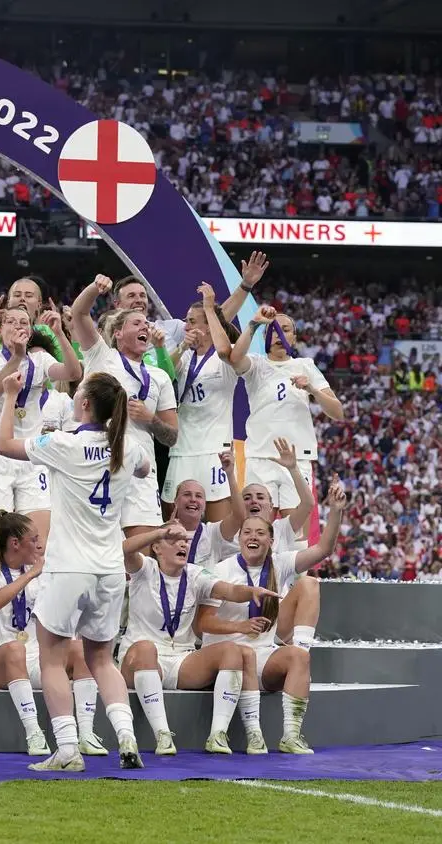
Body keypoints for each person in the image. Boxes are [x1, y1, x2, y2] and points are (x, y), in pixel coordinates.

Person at [0, 370, 150, 772]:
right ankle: (127, 738)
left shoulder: (63, 444)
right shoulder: (128, 447)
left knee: (52, 659)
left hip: (68, 568)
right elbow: (146, 469)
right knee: (102, 660)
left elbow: (2, 444)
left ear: (83, 405)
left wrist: (11, 396)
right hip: (110, 570)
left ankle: (66, 750)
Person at [196, 483, 347, 753]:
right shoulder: (219, 571)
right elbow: (203, 623)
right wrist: (239, 626)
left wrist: (335, 512)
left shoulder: (280, 563)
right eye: (247, 532)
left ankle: (291, 735)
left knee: (309, 587)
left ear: (271, 539)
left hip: (264, 654)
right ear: (239, 538)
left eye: (260, 533)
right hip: (227, 656)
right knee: (243, 653)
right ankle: (250, 733)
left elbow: (323, 549)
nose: (253, 537)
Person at [119, 523, 277, 755]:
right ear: (157, 548)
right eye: (173, 539)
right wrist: (159, 532)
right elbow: (123, 550)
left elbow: (229, 591)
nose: (182, 544)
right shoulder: (145, 569)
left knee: (232, 651)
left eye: (185, 540)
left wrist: (249, 592)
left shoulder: (195, 574)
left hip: (181, 661)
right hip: (139, 660)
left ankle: (217, 736)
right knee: (145, 648)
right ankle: (162, 735)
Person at [0, 510, 108, 756]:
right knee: (15, 649)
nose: (40, 544)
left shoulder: (42, 571)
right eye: (33, 539)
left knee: (79, 648)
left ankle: (86, 733)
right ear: (15, 544)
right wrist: (31, 574)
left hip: (35, 657)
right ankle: (34, 733)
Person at [71, 275, 177, 536]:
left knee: (140, 551)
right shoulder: (100, 357)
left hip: (140, 471)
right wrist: (95, 288)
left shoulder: (159, 377)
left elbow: (172, 436)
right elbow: (78, 312)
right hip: (97, 464)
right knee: (96, 548)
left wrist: (150, 419)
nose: (145, 326)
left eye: (146, 322)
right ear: (118, 333)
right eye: (136, 323)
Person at [0, 303, 80, 547]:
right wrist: (17, 358)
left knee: (37, 542)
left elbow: (73, 373)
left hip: (31, 455)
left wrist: (61, 334)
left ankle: (32, 585)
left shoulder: (40, 359)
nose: (18, 326)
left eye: (24, 322)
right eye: (11, 321)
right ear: (0, 330)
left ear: (30, 331)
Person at [230, 304, 344, 519]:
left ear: (294, 337)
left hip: (297, 458)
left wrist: (311, 389)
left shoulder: (306, 365)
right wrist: (254, 324)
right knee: (258, 529)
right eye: (272, 329)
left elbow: (338, 412)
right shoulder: (256, 364)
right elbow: (234, 359)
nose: (279, 333)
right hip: (261, 457)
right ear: (265, 337)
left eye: (285, 329)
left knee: (296, 539)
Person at [162, 283, 242, 522]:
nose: (186, 326)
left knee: (218, 528)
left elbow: (224, 349)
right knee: (173, 525)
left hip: (214, 452)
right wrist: (184, 344)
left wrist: (210, 307)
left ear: (208, 326)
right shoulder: (184, 355)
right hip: (181, 451)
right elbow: (163, 372)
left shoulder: (227, 356)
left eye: (192, 321)